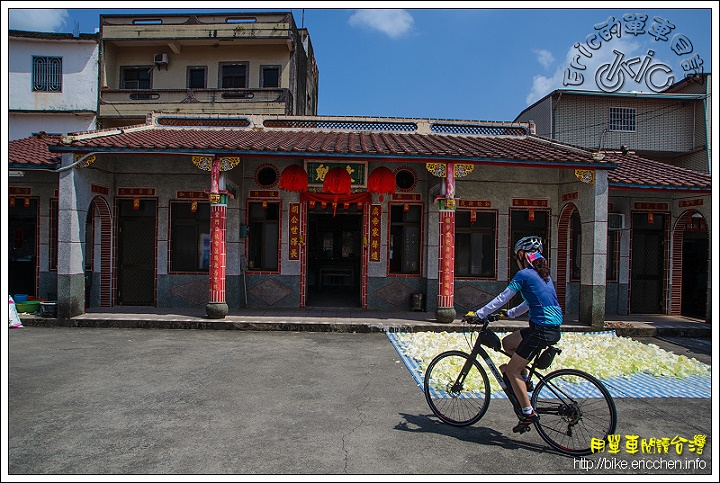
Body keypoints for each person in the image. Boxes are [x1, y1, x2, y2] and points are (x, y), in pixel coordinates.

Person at [475, 236, 562, 433]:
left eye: (517, 256)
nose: (516, 259)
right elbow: (530, 303)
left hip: (540, 331)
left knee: (511, 370)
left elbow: (503, 297)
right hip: (550, 329)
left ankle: (527, 411)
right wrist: (510, 314)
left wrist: (480, 314)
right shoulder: (544, 276)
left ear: (522, 255)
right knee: (507, 343)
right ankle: (524, 381)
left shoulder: (523, 274)